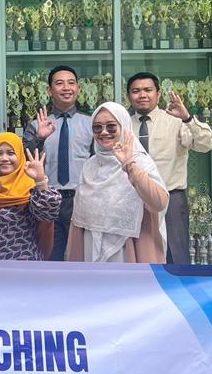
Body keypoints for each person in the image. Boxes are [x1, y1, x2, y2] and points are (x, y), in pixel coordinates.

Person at [126, 72, 212, 264]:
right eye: (136, 91)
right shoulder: (122, 125)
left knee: (175, 256)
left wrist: (188, 118)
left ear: (158, 94)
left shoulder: (175, 121)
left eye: (148, 90)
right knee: (134, 255)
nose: (142, 95)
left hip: (170, 199)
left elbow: (207, 144)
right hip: (131, 199)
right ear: (129, 96)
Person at [67, 101, 168, 263]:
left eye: (111, 127)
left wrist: (130, 166)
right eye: (97, 127)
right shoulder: (90, 165)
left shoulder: (139, 161)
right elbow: (78, 219)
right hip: (91, 248)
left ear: (124, 127)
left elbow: (159, 203)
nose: (104, 132)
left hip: (127, 249)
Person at [22, 65, 93, 262]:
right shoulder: (37, 125)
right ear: (49, 90)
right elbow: (26, 160)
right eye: (59, 83)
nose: (66, 88)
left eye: (71, 83)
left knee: (81, 259)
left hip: (81, 200)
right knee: (50, 259)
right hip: (47, 201)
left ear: (78, 89)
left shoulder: (91, 124)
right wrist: (39, 138)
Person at [0, 133, 60, 260]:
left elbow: (48, 214)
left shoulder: (30, 188)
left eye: (11, 153)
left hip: (25, 268)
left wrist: (40, 181)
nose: (4, 158)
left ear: (19, 155)